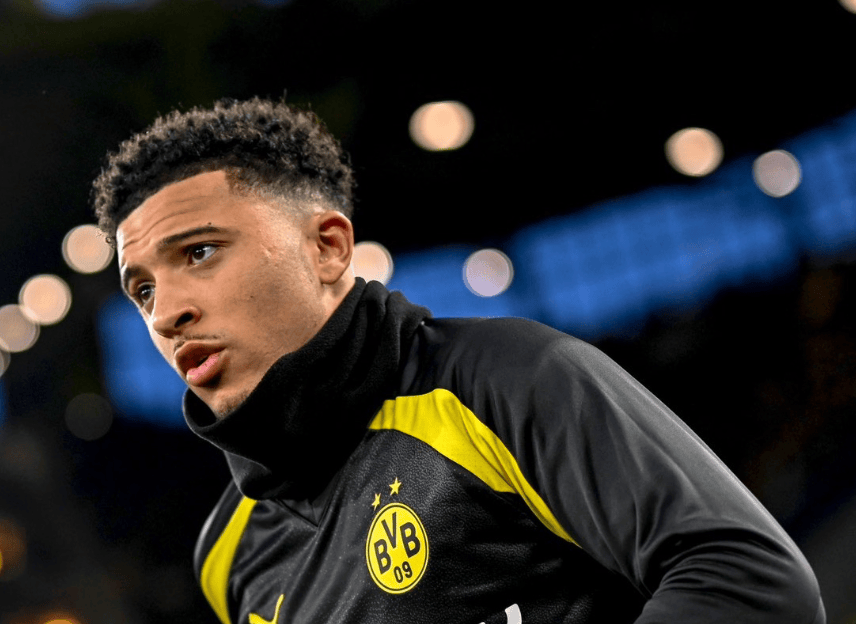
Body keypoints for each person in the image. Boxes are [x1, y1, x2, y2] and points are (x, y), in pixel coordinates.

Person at [92, 97, 825, 624]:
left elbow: (749, 580)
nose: (165, 312)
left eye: (200, 252)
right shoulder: (227, 556)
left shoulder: (505, 378)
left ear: (328, 247)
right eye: (142, 289)